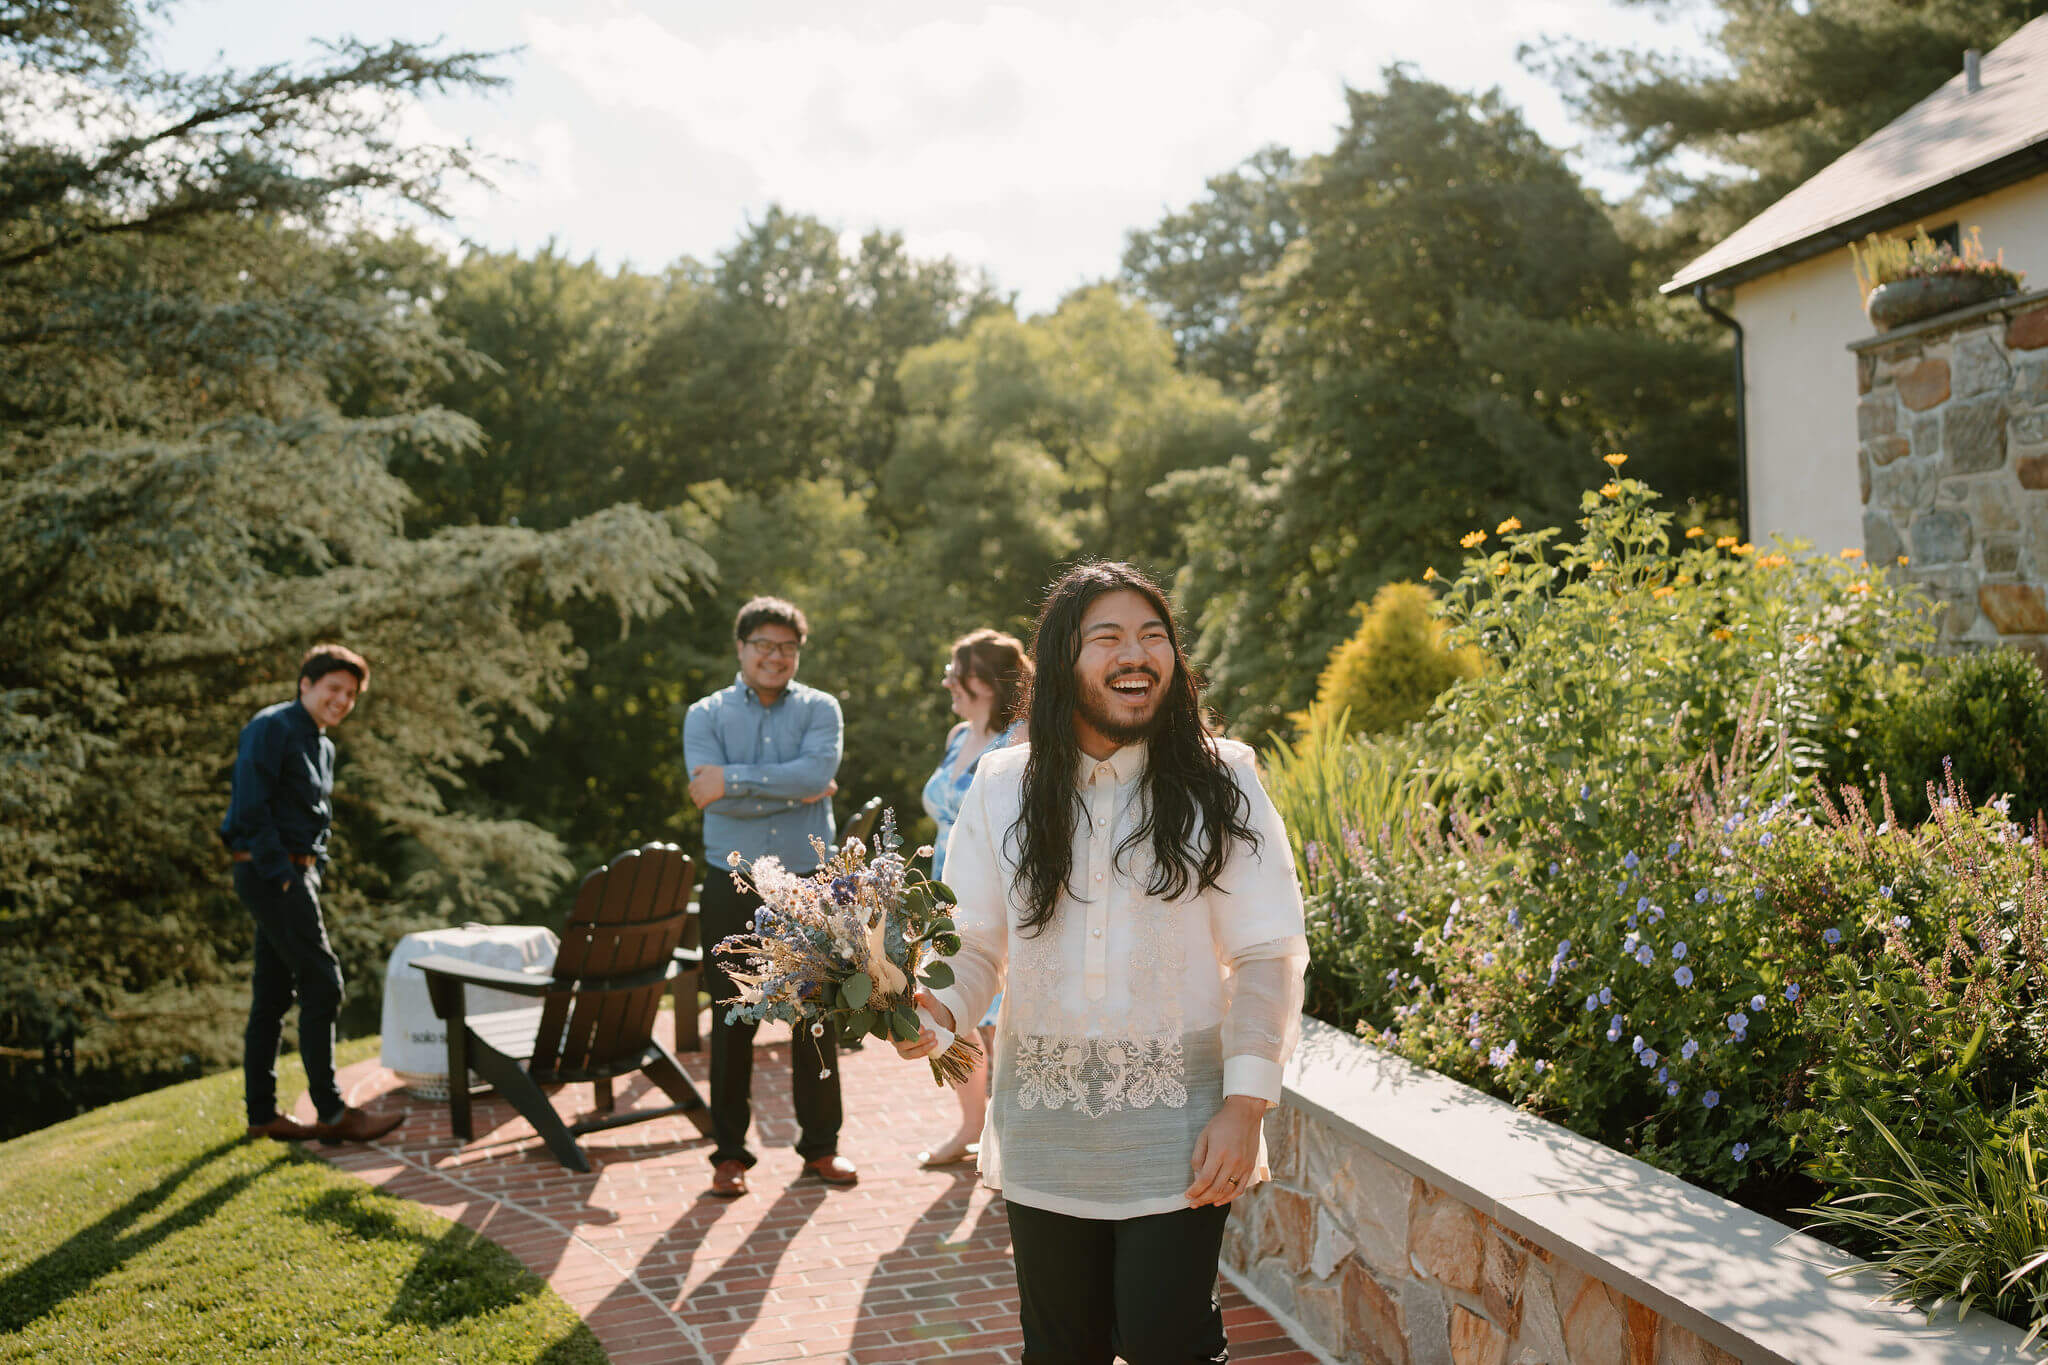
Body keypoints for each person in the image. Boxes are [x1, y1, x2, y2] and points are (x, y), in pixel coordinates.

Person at [894, 562, 1307, 1364]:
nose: (1139, 651)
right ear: (1061, 664)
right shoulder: (1002, 785)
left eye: (1155, 635)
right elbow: (972, 940)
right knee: (1060, 1349)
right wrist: (936, 1013)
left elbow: (1267, 952)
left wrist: (1246, 1104)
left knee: (1168, 1342)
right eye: (1110, 636)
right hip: (1044, 1123)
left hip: (1181, 1125)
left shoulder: (1225, 779)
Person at [685, 595, 854, 1198]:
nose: (776, 657)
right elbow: (712, 798)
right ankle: (729, 1155)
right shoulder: (704, 715)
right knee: (731, 1022)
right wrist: (793, 787)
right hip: (732, 886)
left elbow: (814, 777)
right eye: (764, 645)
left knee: (815, 1018)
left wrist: (733, 779)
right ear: (741, 648)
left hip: (808, 885)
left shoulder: (820, 709)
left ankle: (821, 1149)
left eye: (787, 647)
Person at [221, 645, 405, 1146]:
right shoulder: (270, 728)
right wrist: (283, 875)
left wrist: (313, 868)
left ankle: (262, 1115)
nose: (342, 700)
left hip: (295, 875)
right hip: (269, 875)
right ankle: (332, 1113)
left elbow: (313, 820)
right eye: (333, 689)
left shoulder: (323, 746)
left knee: (274, 994)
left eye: (350, 694)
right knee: (324, 983)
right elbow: (252, 807)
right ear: (306, 684)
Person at [915, 628, 1031, 1168]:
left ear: (983, 680)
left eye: (954, 672)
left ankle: (1010, 1133)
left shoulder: (1022, 739)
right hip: (944, 887)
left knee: (999, 1015)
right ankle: (969, 1124)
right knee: (949, 1006)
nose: (946, 681)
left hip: (1000, 887)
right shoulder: (958, 734)